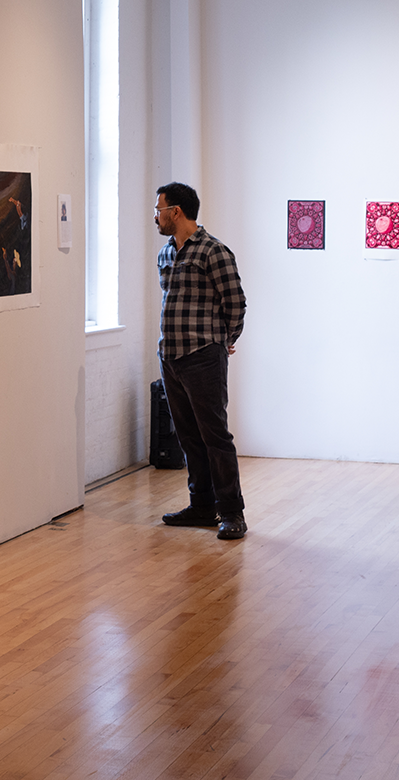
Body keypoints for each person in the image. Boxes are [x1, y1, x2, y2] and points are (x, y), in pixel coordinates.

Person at [153, 182, 248, 541]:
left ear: (176, 211)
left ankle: (232, 512)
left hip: (203, 356)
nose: (156, 217)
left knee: (215, 437)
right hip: (171, 357)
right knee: (188, 437)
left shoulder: (213, 251)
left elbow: (235, 303)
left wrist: (225, 341)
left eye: (159, 210)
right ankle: (202, 505)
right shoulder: (165, 253)